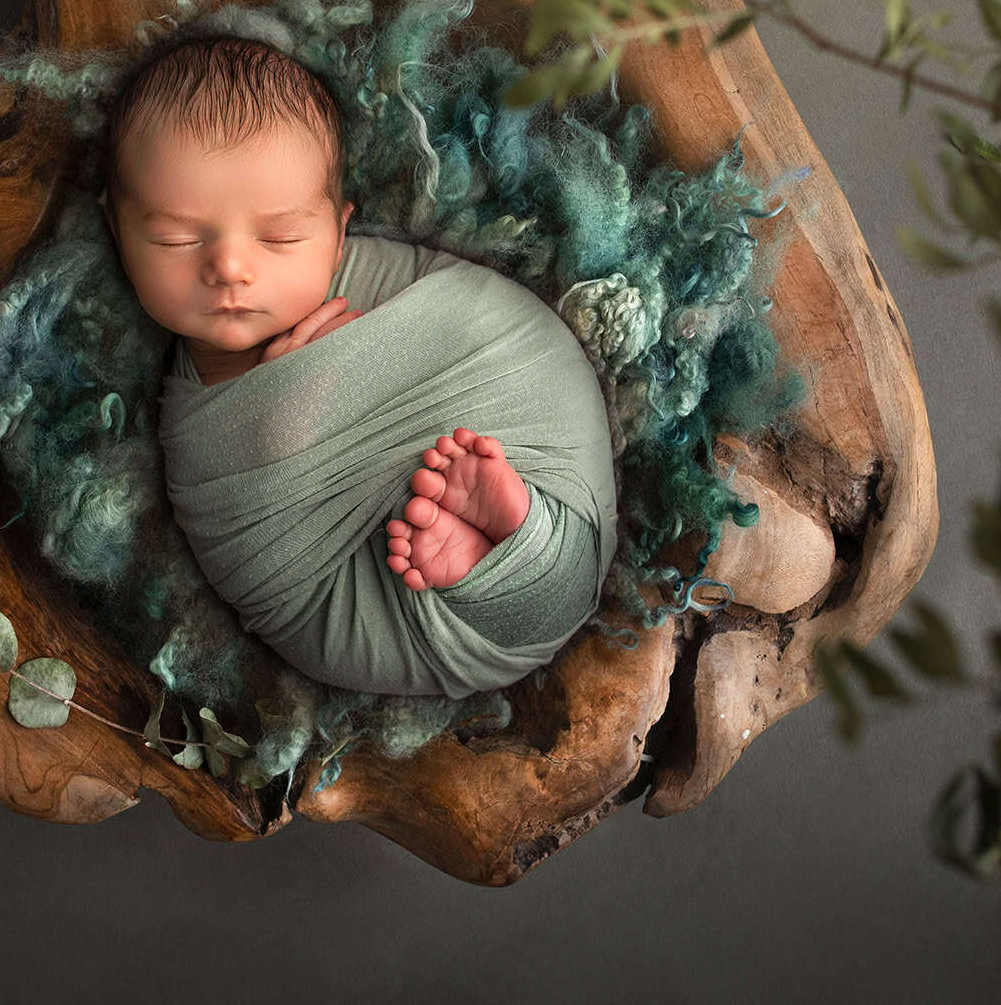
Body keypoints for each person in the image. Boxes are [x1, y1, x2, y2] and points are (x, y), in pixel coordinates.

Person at [102, 34, 618, 698]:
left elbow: (484, 328)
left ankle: (521, 535)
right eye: (177, 237)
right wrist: (274, 416)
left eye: (281, 236)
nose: (229, 267)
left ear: (340, 232)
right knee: (376, 627)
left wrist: (283, 417)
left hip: (514, 407)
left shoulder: (377, 284)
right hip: (351, 607)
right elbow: (239, 548)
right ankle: (487, 560)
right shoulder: (182, 410)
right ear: (116, 230)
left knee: (568, 579)